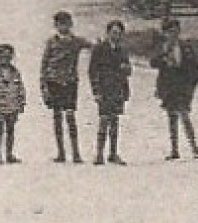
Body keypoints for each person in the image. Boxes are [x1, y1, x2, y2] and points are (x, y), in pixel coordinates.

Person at [39, 10, 90, 163]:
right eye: (60, 24)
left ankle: (76, 152)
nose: (63, 27)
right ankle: (61, 152)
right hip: (53, 82)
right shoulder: (51, 42)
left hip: (70, 82)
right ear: (56, 26)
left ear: (71, 25)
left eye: (66, 24)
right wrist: (43, 84)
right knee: (57, 117)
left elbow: (92, 46)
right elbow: (44, 63)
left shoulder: (76, 41)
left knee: (70, 116)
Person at [151, 16, 198, 160]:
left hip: (182, 86)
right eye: (169, 32)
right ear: (165, 33)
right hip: (168, 87)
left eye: (175, 31)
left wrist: (191, 85)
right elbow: (153, 63)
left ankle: (194, 147)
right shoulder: (162, 47)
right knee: (171, 117)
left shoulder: (185, 47)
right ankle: (174, 149)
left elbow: (195, 67)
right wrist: (164, 56)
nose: (172, 35)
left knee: (184, 115)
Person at [88, 19, 132, 165]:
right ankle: (99, 153)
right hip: (104, 89)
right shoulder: (99, 49)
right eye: (113, 33)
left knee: (115, 121)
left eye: (119, 33)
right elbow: (92, 71)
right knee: (104, 119)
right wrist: (96, 90)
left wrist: (125, 86)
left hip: (118, 88)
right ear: (108, 33)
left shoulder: (122, 50)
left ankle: (113, 153)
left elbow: (128, 71)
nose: (116, 36)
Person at [0, 43, 26, 165]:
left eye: (8, 57)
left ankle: (9, 154)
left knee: (11, 130)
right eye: (2, 57)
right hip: (0, 106)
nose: (5, 60)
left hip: (12, 105)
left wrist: (21, 102)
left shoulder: (15, 72)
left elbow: (20, 88)